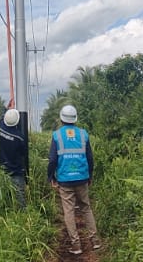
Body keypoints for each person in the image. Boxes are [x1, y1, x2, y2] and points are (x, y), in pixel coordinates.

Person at [47, 104, 99, 254]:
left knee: (69, 211)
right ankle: (94, 241)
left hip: (64, 180)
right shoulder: (83, 134)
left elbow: (52, 160)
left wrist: (51, 177)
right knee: (86, 208)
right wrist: (90, 175)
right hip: (82, 178)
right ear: (75, 119)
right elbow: (90, 158)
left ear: (61, 119)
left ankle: (76, 246)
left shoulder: (57, 135)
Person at [0, 108, 28, 207]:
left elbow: (2, 119)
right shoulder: (19, 137)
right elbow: (24, 152)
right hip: (16, 171)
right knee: (20, 196)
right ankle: (22, 215)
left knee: (5, 195)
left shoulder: (1, 128)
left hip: (3, 169)